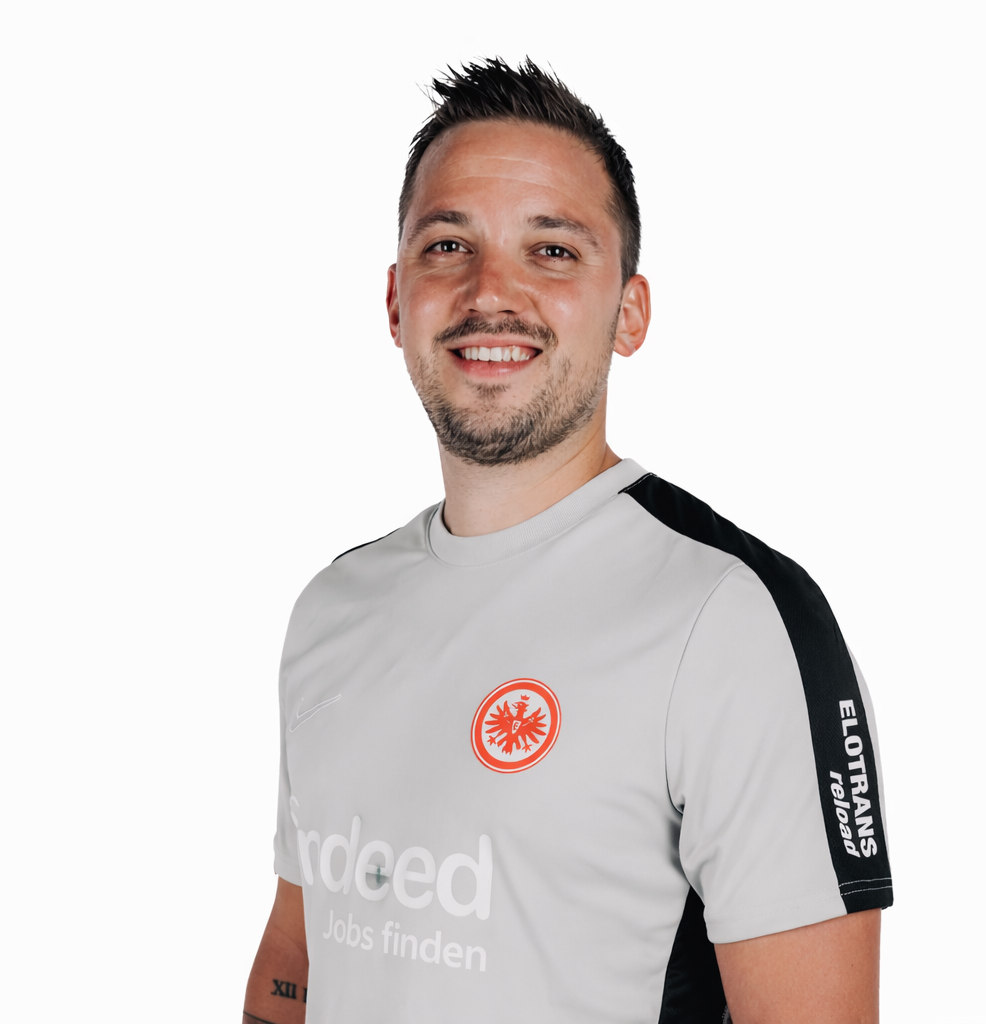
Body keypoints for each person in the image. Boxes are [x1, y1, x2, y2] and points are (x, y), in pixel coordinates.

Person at [242, 58, 892, 1024]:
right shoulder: (332, 609)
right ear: (395, 301)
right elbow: (296, 958)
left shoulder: (734, 620)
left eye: (551, 251)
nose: (490, 292)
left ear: (629, 313)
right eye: (448, 245)